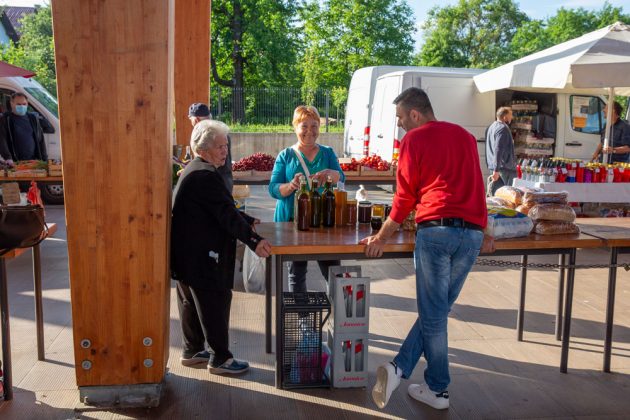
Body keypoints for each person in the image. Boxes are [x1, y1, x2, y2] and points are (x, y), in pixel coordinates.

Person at [361, 87, 487, 410]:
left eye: (401, 118)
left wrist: (381, 237)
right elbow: (478, 184)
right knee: (437, 311)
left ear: (415, 114)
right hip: (471, 235)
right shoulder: (465, 137)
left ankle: (434, 387)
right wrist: (486, 230)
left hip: (436, 232)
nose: (400, 125)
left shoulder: (413, 140)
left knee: (433, 315)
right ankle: (403, 371)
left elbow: (404, 197)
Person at [171, 119, 272, 374]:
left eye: (226, 145)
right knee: (215, 300)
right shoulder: (206, 176)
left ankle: (192, 350)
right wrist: (254, 242)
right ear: (203, 149)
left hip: (185, 254)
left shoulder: (195, 169)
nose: (225, 151)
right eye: (219, 146)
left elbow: (218, 208)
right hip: (203, 255)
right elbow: (226, 215)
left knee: (190, 301)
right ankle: (220, 359)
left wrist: (247, 219)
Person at [268, 105, 345, 292]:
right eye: (304, 126)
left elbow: (341, 177)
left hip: (323, 221)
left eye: (314, 126)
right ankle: (300, 311)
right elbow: (273, 188)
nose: (309, 131)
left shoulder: (327, 152)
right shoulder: (286, 155)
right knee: (297, 273)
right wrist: (291, 186)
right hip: (293, 222)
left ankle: (337, 308)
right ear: (295, 127)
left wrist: (330, 173)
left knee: (333, 272)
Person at [188, 102, 234, 191]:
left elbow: (207, 161)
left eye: (191, 120)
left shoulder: (208, 135)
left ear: (196, 120)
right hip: (224, 178)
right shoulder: (220, 131)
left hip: (216, 180)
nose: (225, 151)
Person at [0, 92, 53, 165]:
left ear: (27, 104)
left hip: (34, 161)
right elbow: (2, 140)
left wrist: (44, 159)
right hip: (15, 162)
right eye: (18, 104)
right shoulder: (5, 119)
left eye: (24, 104)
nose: (22, 106)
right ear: (12, 104)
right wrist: (8, 158)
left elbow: (41, 140)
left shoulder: (33, 118)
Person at [485, 106, 516, 195]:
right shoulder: (503, 129)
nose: (512, 117)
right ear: (505, 117)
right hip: (503, 168)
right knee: (506, 195)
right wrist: (496, 170)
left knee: (496, 194)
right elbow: (498, 149)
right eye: (510, 115)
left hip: (495, 166)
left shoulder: (491, 127)